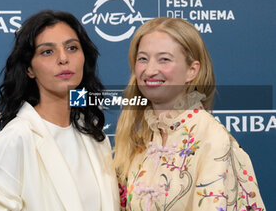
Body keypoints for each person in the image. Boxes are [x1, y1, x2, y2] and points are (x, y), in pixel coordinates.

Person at [0, 10, 120, 211]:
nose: (63, 58)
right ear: (29, 69)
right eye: (48, 51)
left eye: (72, 48)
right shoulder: (16, 139)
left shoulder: (94, 136)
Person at [113, 17, 265, 211]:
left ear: (192, 70)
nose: (150, 70)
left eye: (164, 59)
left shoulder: (213, 139)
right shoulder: (141, 141)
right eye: (143, 59)